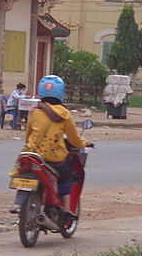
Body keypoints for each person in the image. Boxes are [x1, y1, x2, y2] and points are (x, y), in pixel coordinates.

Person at [21, 75, 90, 219]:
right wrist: (85, 143)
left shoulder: (35, 112)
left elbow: (28, 135)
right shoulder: (64, 115)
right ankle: (66, 210)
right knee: (66, 175)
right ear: (61, 92)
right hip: (53, 158)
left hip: (31, 154)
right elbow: (74, 140)